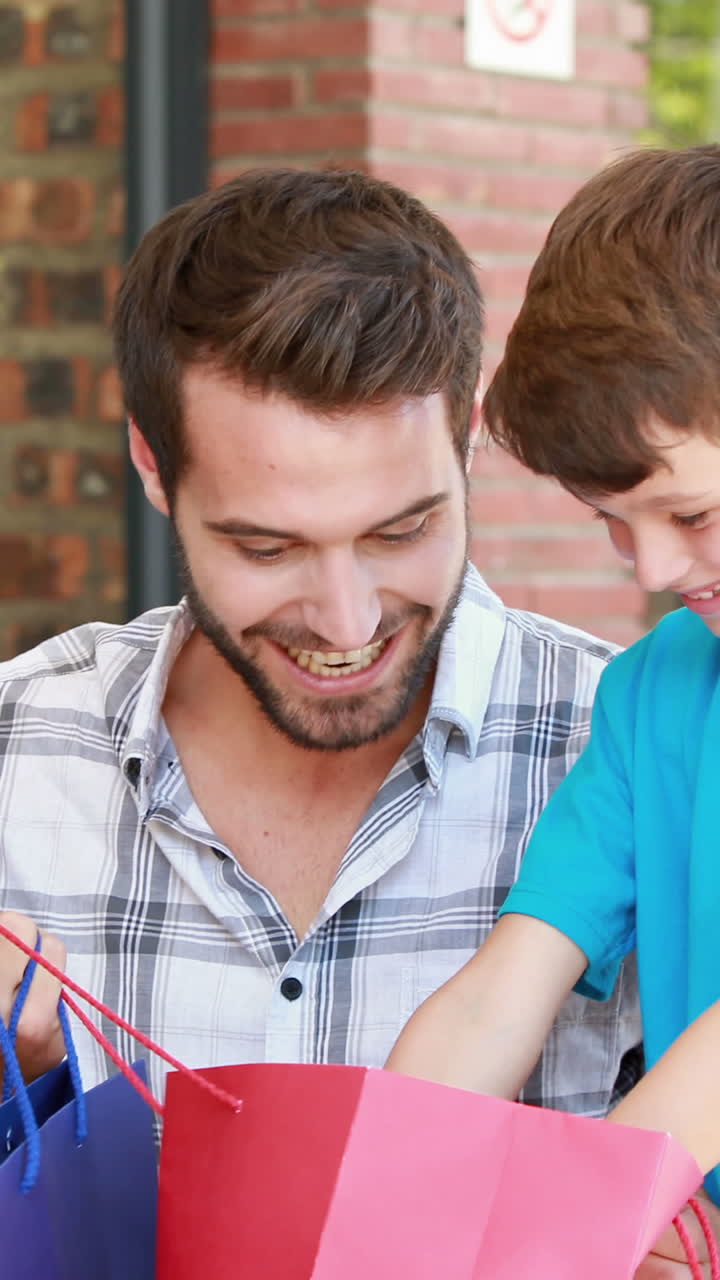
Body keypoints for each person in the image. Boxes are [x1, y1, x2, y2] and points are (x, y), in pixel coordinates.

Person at [0, 167, 640, 1210]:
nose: (348, 622)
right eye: (267, 545)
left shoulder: (633, 751)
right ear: (154, 467)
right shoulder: (16, 752)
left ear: (467, 437)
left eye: (402, 530)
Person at [385, 144, 720, 1275]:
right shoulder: (657, 692)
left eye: (694, 511)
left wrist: (584, 1220)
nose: (657, 566)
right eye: (611, 520)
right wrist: (379, 1197)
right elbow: (505, 986)